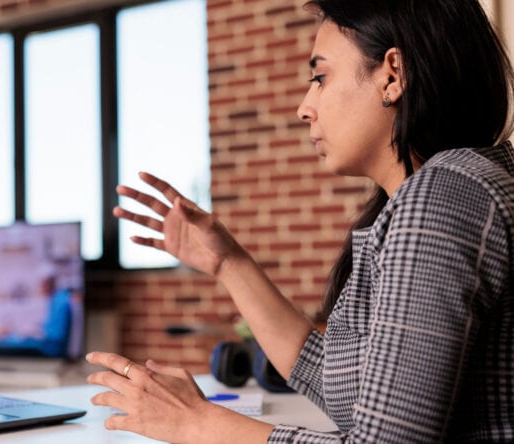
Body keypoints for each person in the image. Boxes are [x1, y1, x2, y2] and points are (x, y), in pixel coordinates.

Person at [86, 1, 514, 442]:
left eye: (320, 78)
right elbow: (339, 385)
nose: (304, 108)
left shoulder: (443, 196)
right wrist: (228, 263)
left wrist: (196, 423)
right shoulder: (452, 187)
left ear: (393, 75)